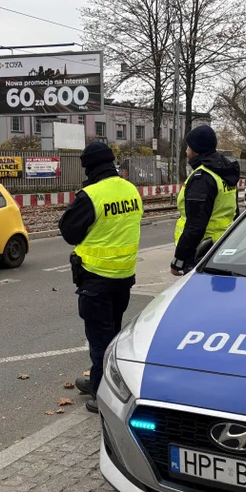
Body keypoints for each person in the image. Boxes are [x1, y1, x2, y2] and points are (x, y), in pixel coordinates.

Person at [59, 142, 143, 413]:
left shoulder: (91, 195)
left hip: (96, 279)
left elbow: (69, 231)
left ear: (89, 167)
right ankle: (99, 379)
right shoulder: (131, 190)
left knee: (100, 340)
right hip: (123, 278)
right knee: (112, 334)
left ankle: (101, 394)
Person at [171, 125, 240, 276]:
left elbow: (195, 225)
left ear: (196, 149)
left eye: (188, 147)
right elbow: (235, 212)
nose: (186, 151)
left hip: (201, 252)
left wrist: (179, 260)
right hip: (221, 247)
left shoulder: (202, 177)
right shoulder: (224, 173)